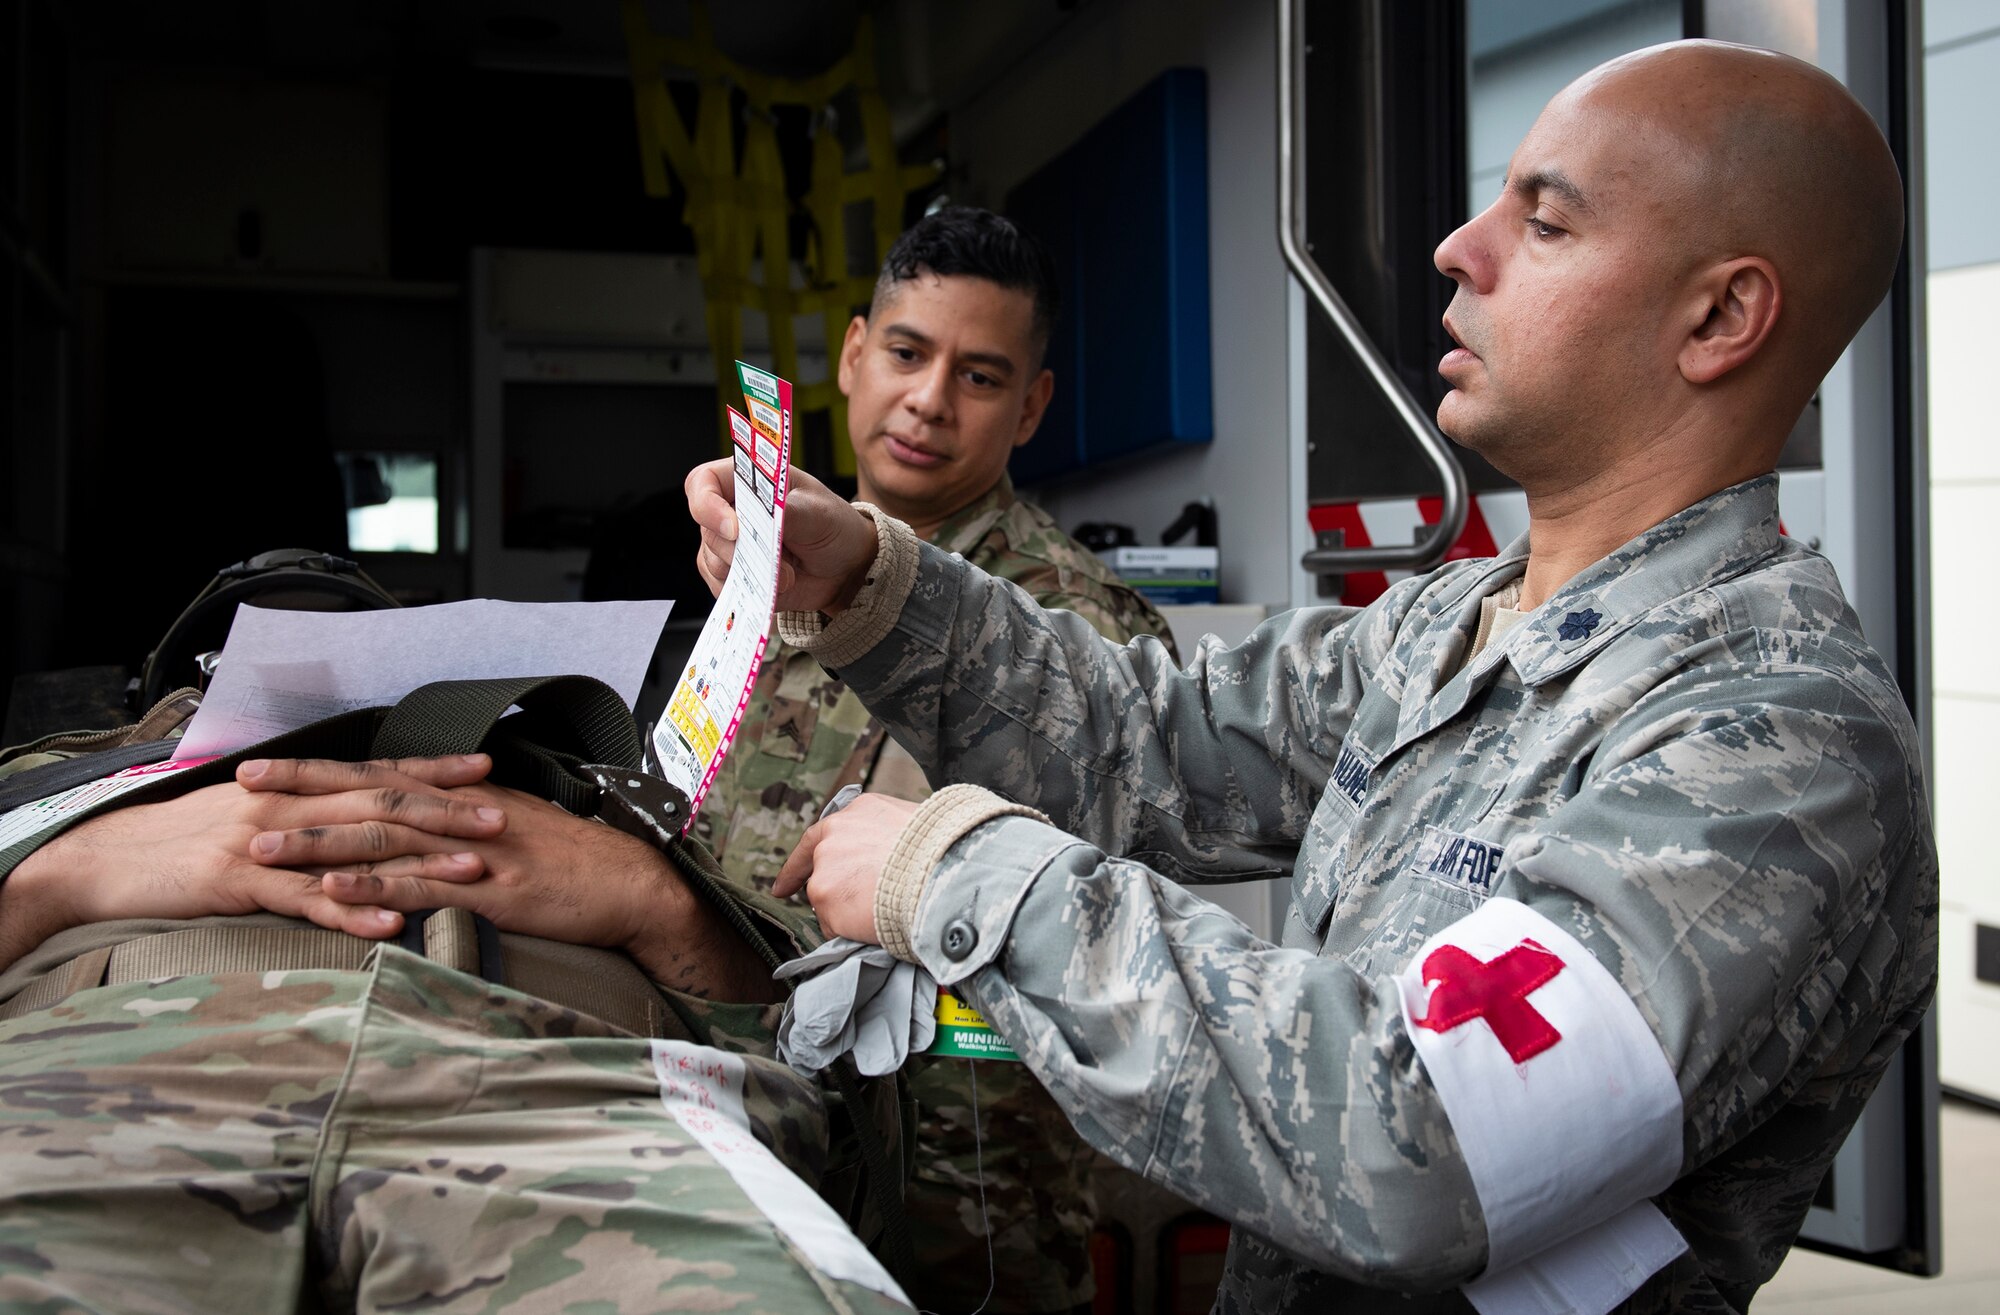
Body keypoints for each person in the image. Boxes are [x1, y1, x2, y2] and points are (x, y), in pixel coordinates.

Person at [688, 40, 1938, 1315]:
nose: (1458, 246)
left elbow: (1427, 1140)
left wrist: (952, 874)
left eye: (1543, 220)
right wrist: (866, 581)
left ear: (1720, 317)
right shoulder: (1450, 624)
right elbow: (1140, 740)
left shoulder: (1773, 738)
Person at [696, 205, 1181, 1315]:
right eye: (908, 355)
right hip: (752, 1109)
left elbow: (1102, 929)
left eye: (978, 375)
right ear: (857, 354)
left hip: (963, 1174)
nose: (926, 400)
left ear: (1030, 407)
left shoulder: (1075, 628)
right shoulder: (770, 570)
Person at [0, 751, 911, 1313]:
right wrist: (53, 876)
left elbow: (834, 1081)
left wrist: (663, 903)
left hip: (577, 1077)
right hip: (90, 1070)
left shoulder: (596, 790)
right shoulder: (56, 785)